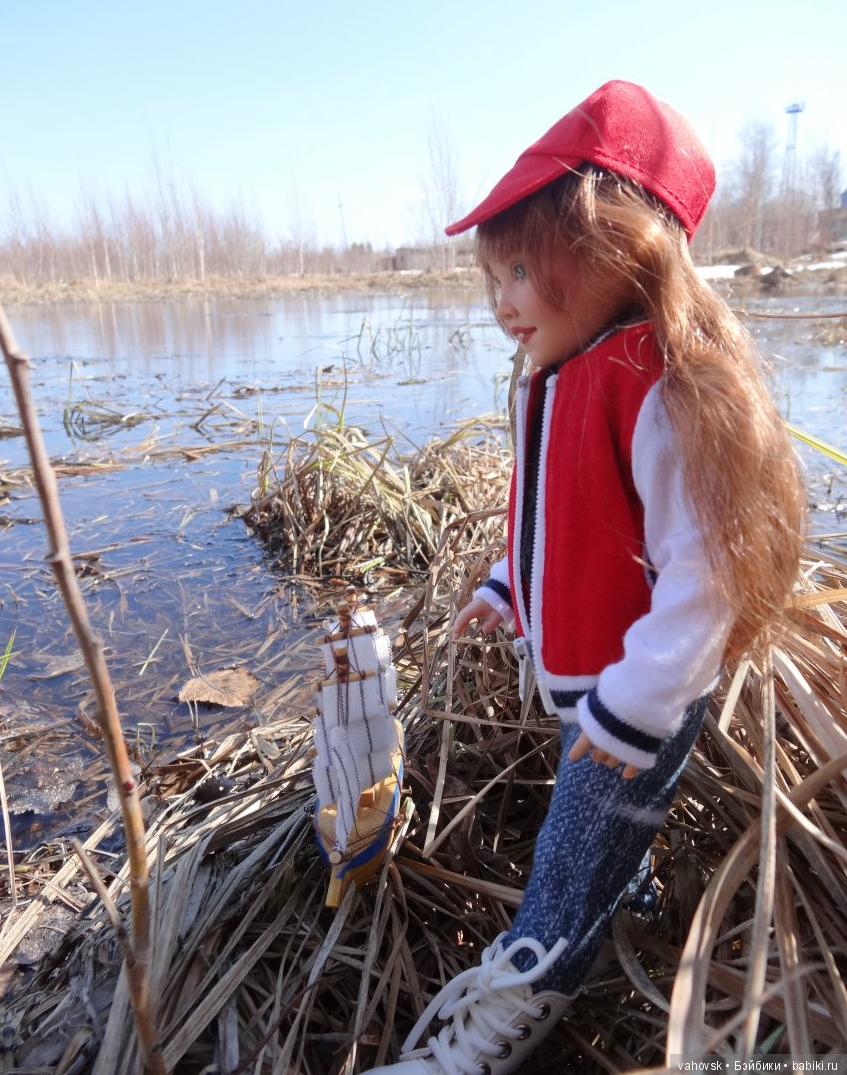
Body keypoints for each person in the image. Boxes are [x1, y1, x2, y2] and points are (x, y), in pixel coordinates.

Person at [365, 79, 805, 1075]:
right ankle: (634, 907)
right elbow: (550, 521)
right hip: (596, 695)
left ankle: (505, 1020)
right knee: (604, 846)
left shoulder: (661, 390)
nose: (503, 301)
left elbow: (707, 577)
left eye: (523, 269)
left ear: (620, 247)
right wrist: (502, 589)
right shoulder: (570, 375)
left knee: (561, 873)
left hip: (636, 696)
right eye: (495, 277)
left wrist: (631, 709)